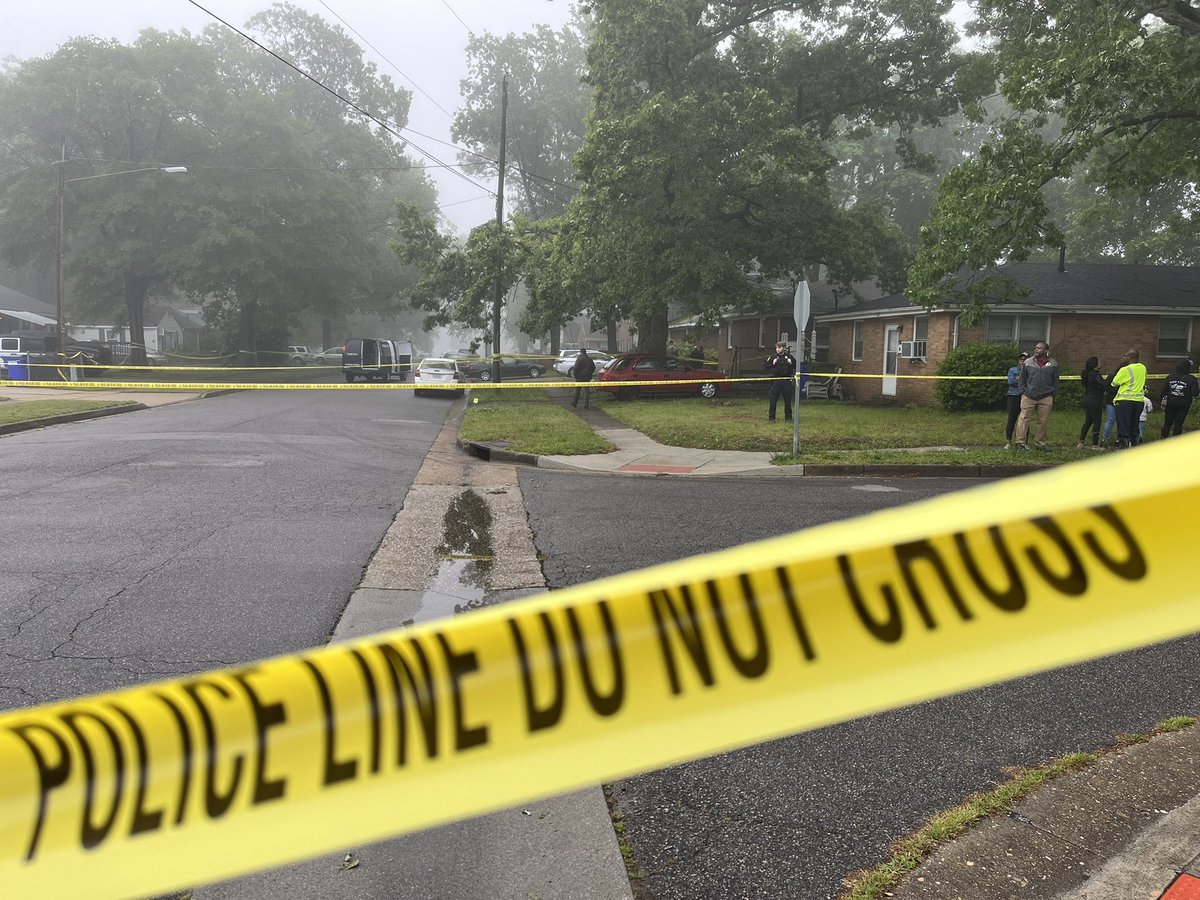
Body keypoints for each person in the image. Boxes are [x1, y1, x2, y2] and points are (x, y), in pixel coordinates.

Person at [1014, 341, 1060, 450]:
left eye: (1039, 348)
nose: (1036, 350)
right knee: (1024, 419)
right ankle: (1020, 442)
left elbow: (1056, 380)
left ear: (1046, 351)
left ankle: (1040, 444)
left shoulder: (1053, 363)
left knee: (1043, 421)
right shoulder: (1028, 362)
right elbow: (1022, 378)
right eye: (1035, 348)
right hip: (1028, 395)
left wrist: (1053, 393)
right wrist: (1023, 391)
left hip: (1046, 396)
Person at [1110, 349, 1147, 449]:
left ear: (1130, 357)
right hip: (1138, 401)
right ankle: (1134, 442)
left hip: (1124, 401)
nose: (1123, 357)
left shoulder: (1125, 370)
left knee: (1123, 424)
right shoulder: (1143, 368)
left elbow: (1114, 383)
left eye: (1125, 355)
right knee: (1135, 423)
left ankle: (1122, 443)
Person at [1159, 358, 1199, 438]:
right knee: (1178, 424)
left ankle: (1163, 438)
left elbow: (1164, 390)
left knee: (1167, 423)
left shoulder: (1170, 377)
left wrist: (1161, 399)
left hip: (1171, 403)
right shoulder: (1192, 379)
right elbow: (1195, 393)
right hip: (1183, 405)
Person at [1076, 356, 1105, 450]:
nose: (1100, 363)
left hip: (1087, 398)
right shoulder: (1095, 375)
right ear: (1095, 365)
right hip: (1095, 400)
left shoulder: (1086, 374)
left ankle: (1081, 442)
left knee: (1088, 421)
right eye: (1099, 362)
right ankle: (1095, 445)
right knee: (1097, 421)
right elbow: (1103, 385)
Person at [765, 341, 797, 422]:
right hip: (776, 380)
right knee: (773, 399)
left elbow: (796, 366)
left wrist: (791, 363)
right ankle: (772, 418)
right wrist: (773, 363)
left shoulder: (789, 356)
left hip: (786, 380)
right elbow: (766, 367)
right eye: (776, 348)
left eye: (779, 347)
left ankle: (788, 418)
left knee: (787, 400)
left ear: (784, 348)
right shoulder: (773, 357)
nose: (777, 349)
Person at [1004, 350, 1028, 449]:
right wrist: (1021, 380)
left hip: (1025, 396)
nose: (1023, 361)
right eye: (1021, 359)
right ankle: (1008, 441)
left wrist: (1020, 378)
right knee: (1012, 419)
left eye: (1025, 359)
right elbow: (1011, 381)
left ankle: (1024, 442)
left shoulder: (1031, 370)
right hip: (1013, 396)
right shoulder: (1012, 370)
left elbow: (1031, 382)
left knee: (1025, 420)